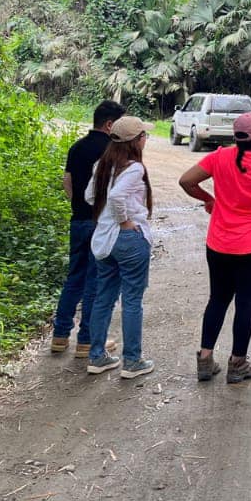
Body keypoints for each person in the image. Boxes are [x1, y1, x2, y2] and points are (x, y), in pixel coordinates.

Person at [179, 111, 251, 384]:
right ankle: (238, 364)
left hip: (219, 243)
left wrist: (210, 199)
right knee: (246, 303)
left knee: (217, 299)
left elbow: (186, 181)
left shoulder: (219, 157)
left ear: (236, 137)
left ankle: (205, 360)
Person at [50, 99, 125, 357]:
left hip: (78, 220)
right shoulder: (112, 150)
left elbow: (67, 182)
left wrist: (79, 205)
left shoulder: (76, 147)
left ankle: (60, 336)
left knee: (74, 277)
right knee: (96, 281)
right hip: (100, 223)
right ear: (110, 124)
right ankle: (87, 339)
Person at [84, 115, 155, 379]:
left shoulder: (103, 164)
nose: (145, 139)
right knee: (132, 300)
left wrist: (109, 215)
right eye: (144, 135)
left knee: (104, 298)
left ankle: (97, 356)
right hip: (127, 239)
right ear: (135, 141)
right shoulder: (134, 168)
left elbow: (90, 196)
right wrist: (124, 220)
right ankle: (132, 360)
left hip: (103, 239)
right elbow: (116, 196)